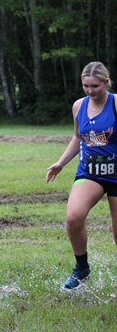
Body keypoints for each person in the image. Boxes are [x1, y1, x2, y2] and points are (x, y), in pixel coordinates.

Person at [46, 61, 116, 290]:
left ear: (106, 82)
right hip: (90, 172)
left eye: (95, 85)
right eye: (86, 85)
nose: (90, 90)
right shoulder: (79, 106)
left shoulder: (116, 104)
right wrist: (61, 162)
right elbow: (78, 137)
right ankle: (82, 268)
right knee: (73, 218)